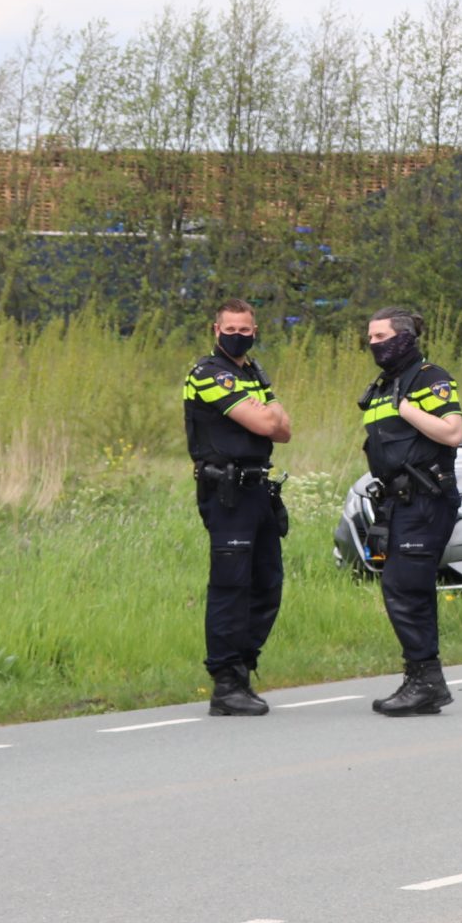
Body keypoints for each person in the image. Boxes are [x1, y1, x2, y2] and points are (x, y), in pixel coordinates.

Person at [183, 299, 294, 716]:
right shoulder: (208, 374)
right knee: (231, 587)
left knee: (267, 582)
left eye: (246, 330)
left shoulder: (250, 372)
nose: (239, 335)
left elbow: (285, 432)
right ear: (216, 329)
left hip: (258, 489)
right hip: (226, 492)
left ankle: (243, 669)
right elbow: (269, 423)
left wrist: (270, 412)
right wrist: (270, 411)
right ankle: (225, 684)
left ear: (255, 330)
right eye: (232, 328)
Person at [357, 306, 462, 716]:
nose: (373, 345)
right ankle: (423, 679)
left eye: (380, 337)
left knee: (407, 590)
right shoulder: (386, 384)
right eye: (369, 338)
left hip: (426, 499)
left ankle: (425, 682)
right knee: (404, 589)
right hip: (398, 502)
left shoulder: (429, 378)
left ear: (404, 337)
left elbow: (453, 432)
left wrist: (409, 410)